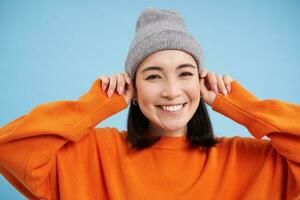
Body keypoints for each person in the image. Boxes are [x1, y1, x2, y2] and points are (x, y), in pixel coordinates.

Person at [0, 7, 299, 200]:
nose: (171, 91)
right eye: (153, 76)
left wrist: (244, 107)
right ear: (133, 87)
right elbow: (9, 148)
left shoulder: (252, 162)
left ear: (201, 82)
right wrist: (94, 106)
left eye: (185, 74)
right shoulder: (91, 155)